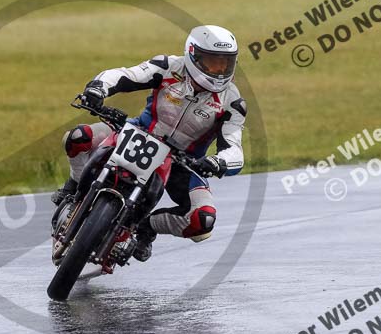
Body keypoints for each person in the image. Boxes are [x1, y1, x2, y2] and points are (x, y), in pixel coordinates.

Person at [53, 25, 247, 262]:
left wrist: (218, 162)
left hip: (183, 162)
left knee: (203, 221)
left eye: (225, 64)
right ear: (192, 54)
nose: (219, 71)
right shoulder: (168, 66)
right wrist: (98, 88)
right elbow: (127, 75)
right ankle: (73, 188)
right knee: (77, 138)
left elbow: (234, 148)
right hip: (138, 132)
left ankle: (146, 228)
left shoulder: (233, 103)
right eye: (212, 63)